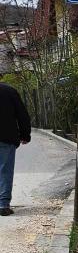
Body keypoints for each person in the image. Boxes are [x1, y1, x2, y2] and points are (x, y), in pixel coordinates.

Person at [0, 82, 32, 216]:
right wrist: (25, 135)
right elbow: (22, 114)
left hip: (6, 137)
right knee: (5, 170)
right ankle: (3, 205)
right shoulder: (9, 91)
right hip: (6, 137)